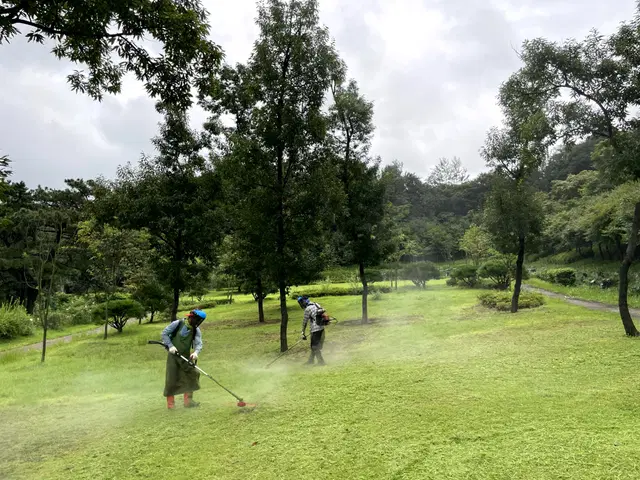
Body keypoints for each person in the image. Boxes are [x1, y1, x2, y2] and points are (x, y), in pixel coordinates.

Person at [161, 309, 206, 409]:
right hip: (173, 356)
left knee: (193, 374)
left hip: (185, 357)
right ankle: (171, 405)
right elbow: (164, 334)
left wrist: (195, 353)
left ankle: (188, 402)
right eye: (196, 320)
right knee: (171, 379)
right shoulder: (177, 324)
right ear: (191, 317)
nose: (197, 323)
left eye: (199, 321)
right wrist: (170, 346)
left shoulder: (196, 330)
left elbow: (198, 344)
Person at [298, 296, 326, 366]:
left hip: (315, 330)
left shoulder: (307, 309)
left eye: (301, 303)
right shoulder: (316, 304)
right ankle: (310, 361)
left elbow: (305, 322)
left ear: (303, 302)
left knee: (314, 346)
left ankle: (321, 362)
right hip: (321, 328)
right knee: (315, 346)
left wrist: (303, 332)